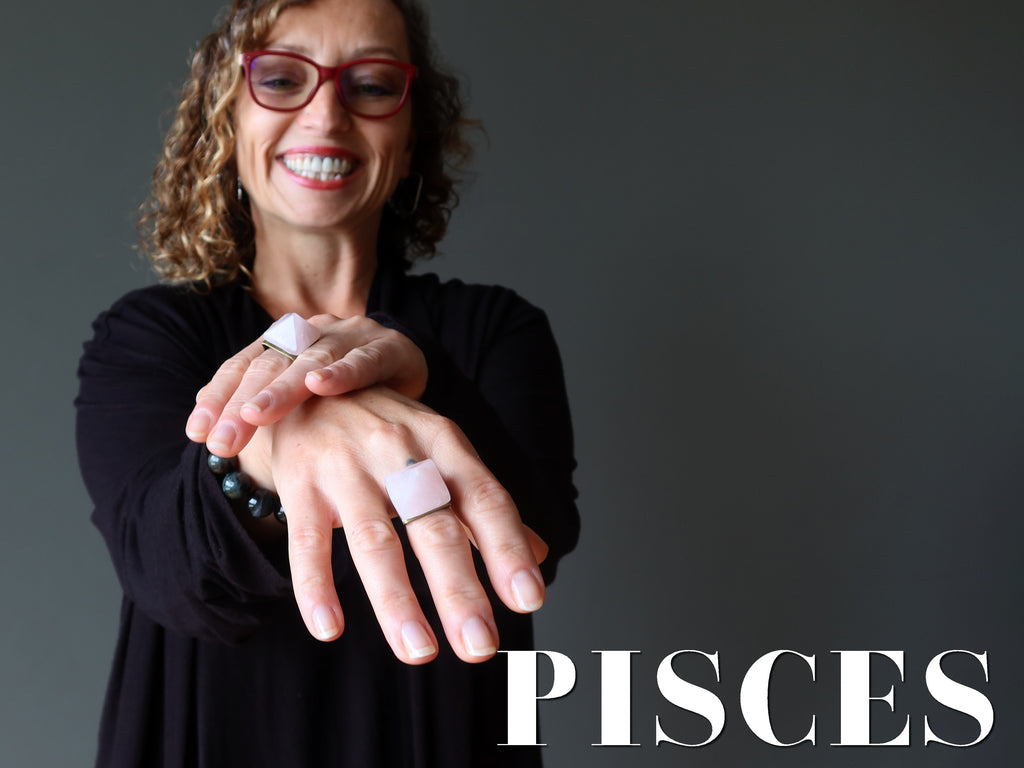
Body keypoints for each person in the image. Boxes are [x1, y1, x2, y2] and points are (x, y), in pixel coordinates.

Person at [74, 0, 579, 765]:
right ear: (228, 123)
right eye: (280, 78)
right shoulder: (149, 336)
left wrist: (395, 371)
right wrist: (276, 437)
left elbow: (530, 545)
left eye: (372, 86)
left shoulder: (495, 332)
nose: (327, 112)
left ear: (410, 144)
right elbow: (166, 571)